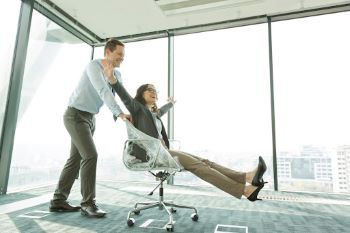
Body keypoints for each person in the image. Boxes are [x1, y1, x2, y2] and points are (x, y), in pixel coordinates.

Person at [103, 72, 267, 201]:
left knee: (205, 162)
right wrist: (113, 80)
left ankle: (247, 177)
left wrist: (171, 104)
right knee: (199, 166)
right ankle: (245, 190)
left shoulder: (153, 114)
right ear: (141, 94)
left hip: (162, 152)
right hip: (153, 155)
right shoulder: (137, 108)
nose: (154, 92)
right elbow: (124, 96)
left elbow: (161, 111)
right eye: (149, 89)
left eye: (155, 90)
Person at [49, 38, 130, 218]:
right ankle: (88, 204)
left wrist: (131, 111)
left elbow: (121, 95)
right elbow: (103, 91)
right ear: (107, 52)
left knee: (75, 159)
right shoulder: (93, 67)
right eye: (119, 54)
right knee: (90, 155)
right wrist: (118, 113)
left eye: (123, 56)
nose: (122, 59)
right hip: (75, 115)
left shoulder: (117, 74)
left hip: (90, 118)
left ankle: (58, 201)